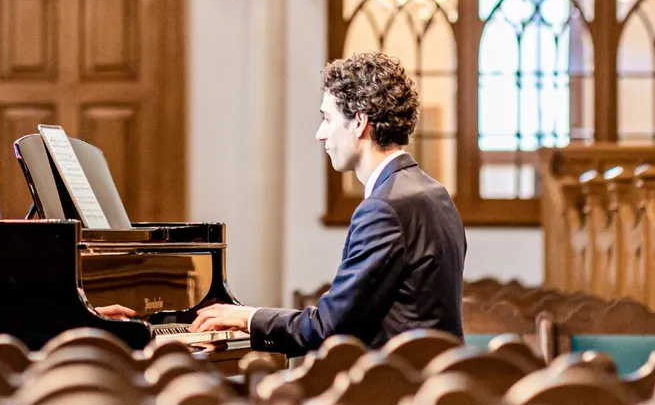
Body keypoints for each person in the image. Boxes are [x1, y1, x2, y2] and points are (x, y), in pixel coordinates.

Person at [185, 51, 467, 356]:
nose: (321, 134)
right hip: (431, 384)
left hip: (390, 392)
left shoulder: (383, 209)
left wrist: (249, 318)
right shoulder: (435, 194)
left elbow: (327, 329)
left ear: (359, 122)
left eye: (327, 119)